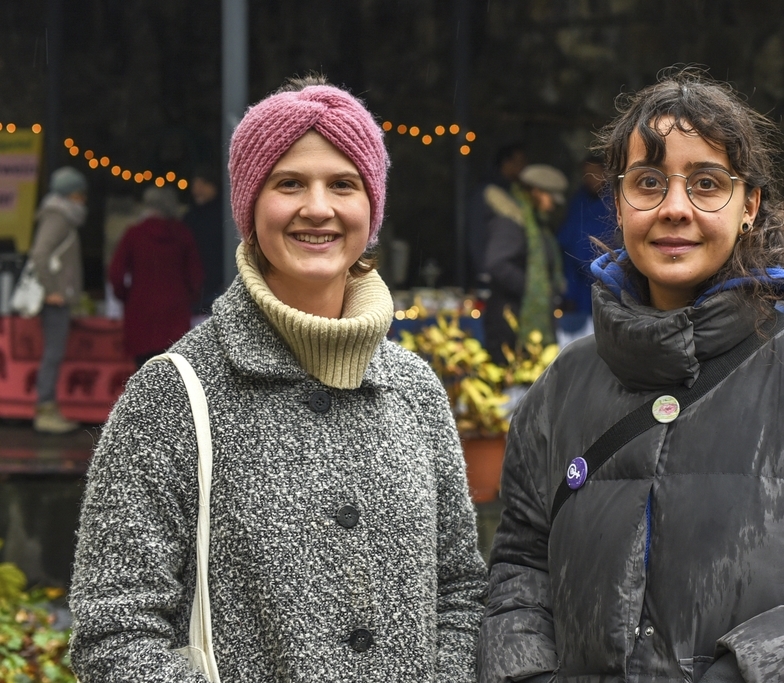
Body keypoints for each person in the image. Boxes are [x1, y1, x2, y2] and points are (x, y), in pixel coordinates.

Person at [479, 68, 784, 683]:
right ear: (621, 200)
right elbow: (520, 567)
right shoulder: (560, 389)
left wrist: (753, 671)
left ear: (749, 207)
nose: (674, 208)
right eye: (648, 182)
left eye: (707, 184)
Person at [70, 75, 486, 682]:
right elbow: (115, 632)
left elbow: (460, 591)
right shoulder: (173, 396)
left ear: (370, 208)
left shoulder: (414, 389)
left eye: (343, 184)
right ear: (249, 206)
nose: (317, 208)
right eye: (289, 183)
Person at [108, 185, 204, 368]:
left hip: (140, 310)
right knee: (174, 370)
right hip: (176, 310)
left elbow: (116, 273)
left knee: (142, 369)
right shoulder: (183, 235)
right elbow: (196, 275)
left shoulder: (134, 234)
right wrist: (190, 298)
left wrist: (126, 297)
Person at [482, 163, 567, 363]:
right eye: (550, 198)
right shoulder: (511, 222)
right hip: (509, 326)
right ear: (536, 192)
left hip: (524, 319)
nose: (553, 205)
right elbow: (497, 263)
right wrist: (533, 288)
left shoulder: (538, 225)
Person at [27, 166, 87, 434]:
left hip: (59, 298)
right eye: (79, 192)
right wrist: (53, 289)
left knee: (54, 352)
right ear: (71, 193)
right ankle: (45, 409)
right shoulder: (59, 216)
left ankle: (47, 407)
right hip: (55, 301)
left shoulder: (60, 215)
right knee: (53, 353)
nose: (83, 198)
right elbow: (40, 253)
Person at [557, 154, 616, 316]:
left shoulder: (615, 202)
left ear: (605, 173)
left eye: (593, 174)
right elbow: (567, 243)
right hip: (579, 287)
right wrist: (568, 293)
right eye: (585, 175)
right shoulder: (578, 202)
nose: (589, 179)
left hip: (608, 282)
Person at [466, 143, 528, 287]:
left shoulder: (515, 193)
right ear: (506, 163)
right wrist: (483, 273)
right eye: (519, 162)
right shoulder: (489, 193)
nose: (523, 167)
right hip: (492, 277)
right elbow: (477, 235)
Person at [182, 165, 225, 313]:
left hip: (220, 285)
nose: (197, 190)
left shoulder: (225, 217)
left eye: (203, 184)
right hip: (194, 288)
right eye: (195, 184)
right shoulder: (189, 218)